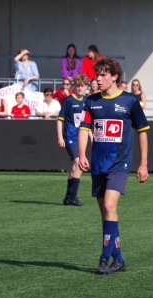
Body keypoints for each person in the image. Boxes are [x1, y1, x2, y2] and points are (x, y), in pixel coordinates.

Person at [78, 58, 150, 275]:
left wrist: (143, 163)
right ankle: (118, 260)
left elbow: (142, 131)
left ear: (114, 76)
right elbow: (84, 128)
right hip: (99, 163)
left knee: (110, 207)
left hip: (120, 163)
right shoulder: (91, 101)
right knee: (106, 213)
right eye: (96, 75)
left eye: (102, 75)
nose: (98, 79)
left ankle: (103, 258)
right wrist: (81, 154)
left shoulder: (130, 101)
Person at [57, 74, 91, 206]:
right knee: (80, 164)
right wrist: (60, 137)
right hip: (70, 136)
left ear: (86, 87)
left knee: (75, 167)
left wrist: (91, 136)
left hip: (81, 137)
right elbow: (60, 120)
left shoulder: (87, 100)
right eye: (78, 86)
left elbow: (88, 122)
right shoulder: (69, 101)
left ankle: (67, 197)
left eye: (82, 86)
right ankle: (73, 196)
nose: (80, 89)